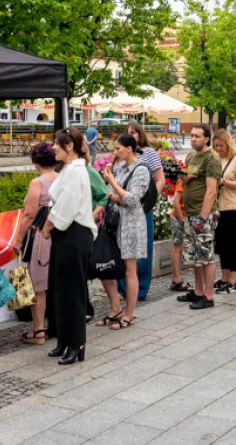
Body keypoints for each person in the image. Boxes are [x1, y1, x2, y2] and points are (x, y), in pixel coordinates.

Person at [44, 129, 96, 365]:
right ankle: (64, 339)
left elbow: (67, 205)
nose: (53, 147)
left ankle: (77, 343)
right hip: (66, 234)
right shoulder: (68, 169)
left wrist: (48, 225)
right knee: (61, 290)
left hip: (74, 234)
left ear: (70, 146)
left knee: (73, 291)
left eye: (57, 143)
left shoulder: (76, 171)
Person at [98, 133, 150, 328]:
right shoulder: (120, 167)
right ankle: (115, 309)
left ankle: (129, 314)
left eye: (118, 148)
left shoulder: (141, 169)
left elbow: (132, 199)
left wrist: (113, 184)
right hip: (115, 223)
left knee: (130, 269)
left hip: (132, 224)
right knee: (106, 264)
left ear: (129, 149)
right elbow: (111, 195)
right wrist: (113, 189)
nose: (115, 152)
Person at [15, 143, 59, 344]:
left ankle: (39, 329)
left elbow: (29, 215)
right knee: (56, 283)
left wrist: (19, 240)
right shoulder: (61, 178)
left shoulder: (37, 183)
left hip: (41, 237)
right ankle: (57, 325)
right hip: (60, 234)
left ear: (35, 161)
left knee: (38, 284)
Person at [175, 124, 221, 310]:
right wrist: (184, 178)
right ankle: (198, 291)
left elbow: (211, 191)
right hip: (190, 212)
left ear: (207, 139)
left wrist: (202, 218)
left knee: (206, 254)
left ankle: (208, 296)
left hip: (203, 214)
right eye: (191, 135)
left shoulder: (211, 158)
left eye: (197, 136)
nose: (193, 139)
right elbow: (193, 179)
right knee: (195, 256)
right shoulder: (193, 156)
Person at [124, 120, 165, 301]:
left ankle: (141, 288)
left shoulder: (148, 153)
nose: (131, 135)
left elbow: (160, 178)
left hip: (142, 207)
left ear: (140, 135)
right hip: (124, 206)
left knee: (142, 249)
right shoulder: (122, 153)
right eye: (128, 132)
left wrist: (150, 200)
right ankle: (123, 287)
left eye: (134, 132)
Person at [211, 129, 236, 294]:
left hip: (232, 205)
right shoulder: (216, 159)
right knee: (221, 243)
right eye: (215, 146)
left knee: (231, 243)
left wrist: (224, 182)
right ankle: (224, 278)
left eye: (221, 145)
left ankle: (233, 280)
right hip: (219, 206)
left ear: (228, 144)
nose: (218, 148)